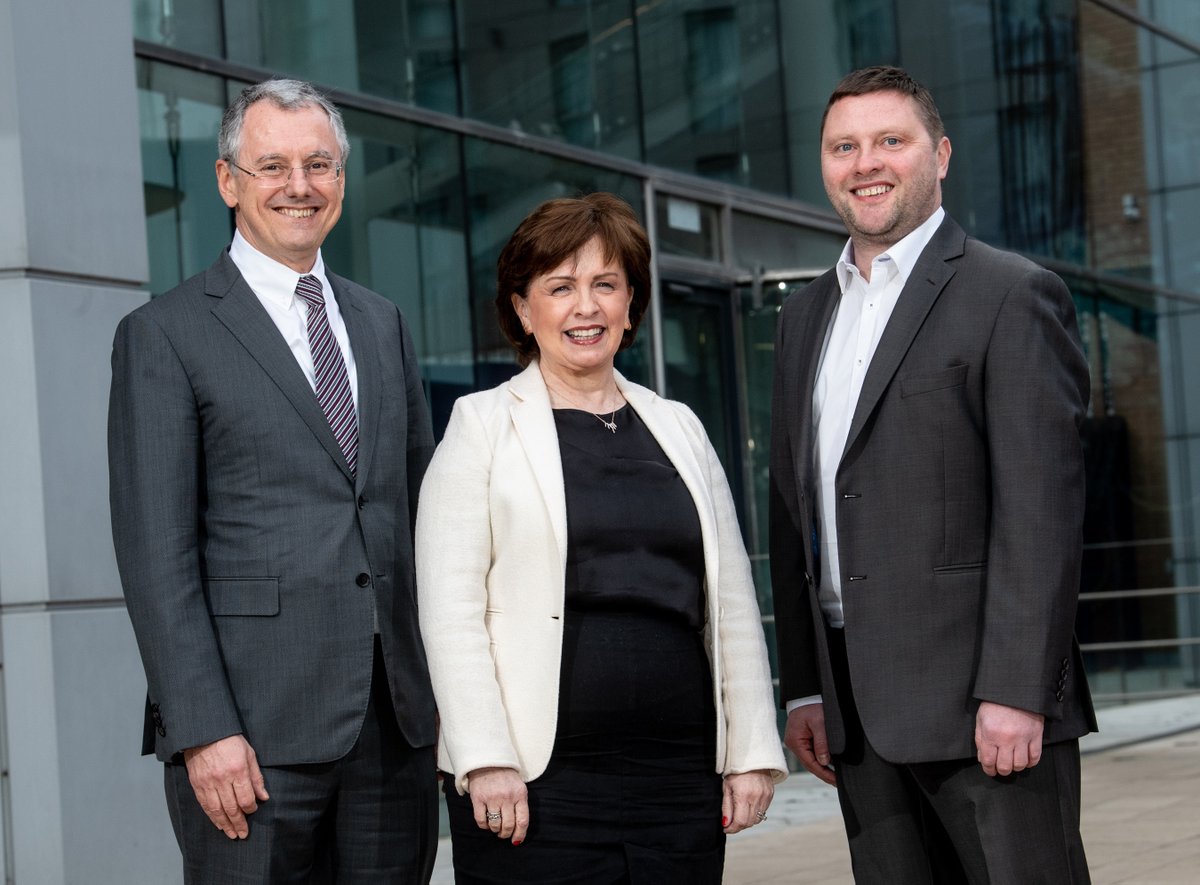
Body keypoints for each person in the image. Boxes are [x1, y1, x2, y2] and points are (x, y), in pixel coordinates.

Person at [770, 66, 1096, 883]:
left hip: (985, 712)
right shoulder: (803, 316)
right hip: (855, 715)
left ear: (940, 155)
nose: (865, 162)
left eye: (890, 141)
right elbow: (794, 509)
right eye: (844, 146)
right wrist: (805, 688)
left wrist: (1019, 690)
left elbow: (1041, 514)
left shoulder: (1011, 294)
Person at [108, 79, 438, 883]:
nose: (300, 185)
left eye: (319, 163)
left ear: (343, 180)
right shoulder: (165, 334)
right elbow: (158, 557)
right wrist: (202, 729)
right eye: (273, 166)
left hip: (393, 729)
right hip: (249, 739)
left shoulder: (381, 322)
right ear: (228, 182)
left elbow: (422, 515)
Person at [415, 192, 786, 883]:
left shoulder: (680, 426)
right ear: (524, 309)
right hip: (532, 783)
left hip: (678, 780)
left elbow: (731, 603)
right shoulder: (481, 426)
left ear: (630, 304)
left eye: (604, 285)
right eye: (560, 287)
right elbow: (450, 610)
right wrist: (485, 756)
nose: (585, 307)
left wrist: (750, 751)